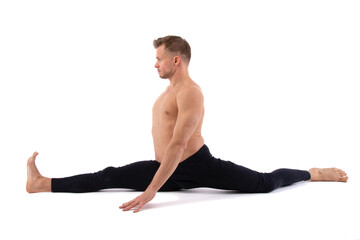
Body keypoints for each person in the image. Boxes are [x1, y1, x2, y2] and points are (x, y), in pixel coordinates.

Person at [26, 36, 348, 213]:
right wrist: (156, 178)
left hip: (197, 166)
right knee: (109, 175)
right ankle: (41, 183)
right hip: (164, 166)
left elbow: (179, 145)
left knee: (263, 183)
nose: (155, 63)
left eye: (159, 58)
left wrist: (151, 191)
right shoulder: (167, 92)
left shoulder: (190, 92)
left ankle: (313, 173)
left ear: (175, 60)